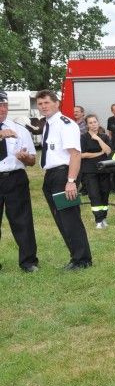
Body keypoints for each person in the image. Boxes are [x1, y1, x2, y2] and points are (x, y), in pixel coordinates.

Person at [36, 90, 93, 270]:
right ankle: (75, 257)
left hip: (63, 175)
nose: (43, 106)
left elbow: (75, 154)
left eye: (46, 102)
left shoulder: (65, 124)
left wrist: (71, 181)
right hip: (51, 176)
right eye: (40, 104)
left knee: (70, 219)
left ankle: (82, 260)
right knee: (60, 220)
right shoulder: (48, 125)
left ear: (56, 103)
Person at [0, 90, 39, 272]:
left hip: (15, 179)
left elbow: (32, 160)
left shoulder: (19, 129)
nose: (3, 109)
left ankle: (29, 261)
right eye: (0, 105)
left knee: (22, 221)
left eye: (5, 105)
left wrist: (25, 158)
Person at [80, 114, 113, 229]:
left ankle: (104, 217)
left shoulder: (104, 137)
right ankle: (98, 219)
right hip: (90, 171)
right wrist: (99, 153)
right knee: (94, 195)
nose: (93, 124)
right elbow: (82, 154)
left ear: (98, 123)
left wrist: (98, 139)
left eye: (95, 122)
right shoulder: (83, 138)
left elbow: (108, 151)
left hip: (104, 170)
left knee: (104, 194)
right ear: (87, 125)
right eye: (90, 123)